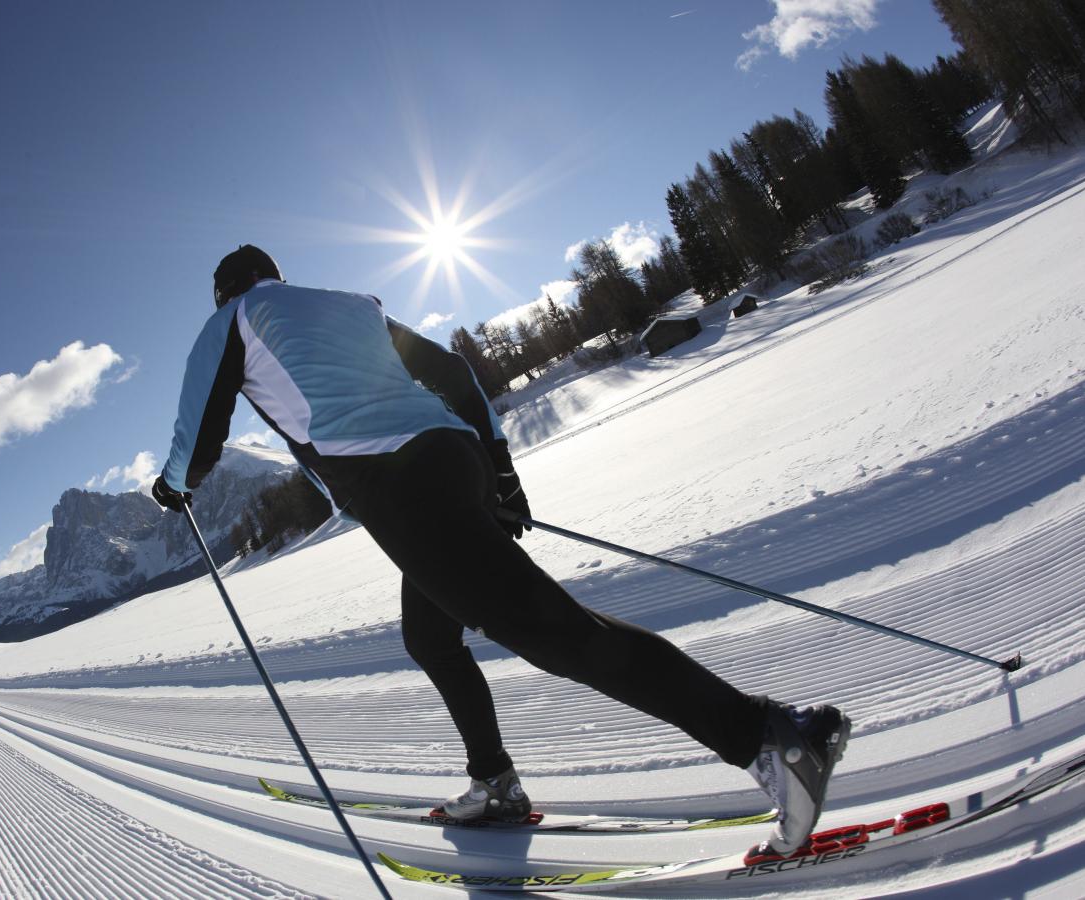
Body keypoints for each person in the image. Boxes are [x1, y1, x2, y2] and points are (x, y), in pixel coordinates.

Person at [151, 244, 851, 857]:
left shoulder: (232, 321)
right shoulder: (347, 306)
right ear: (277, 276)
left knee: (559, 633)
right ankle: (494, 782)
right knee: (430, 636)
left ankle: (767, 738)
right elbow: (454, 375)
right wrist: (502, 475)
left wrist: (174, 485)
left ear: (226, 291)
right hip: (454, 457)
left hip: (398, 485)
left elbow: (200, 425)